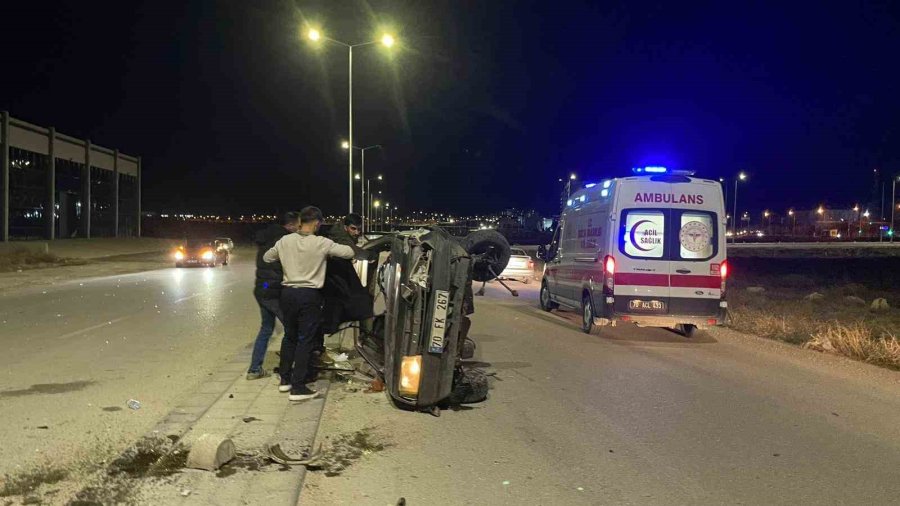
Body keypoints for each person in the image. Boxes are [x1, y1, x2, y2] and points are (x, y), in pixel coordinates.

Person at [264, 206, 365, 401]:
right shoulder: (322, 243)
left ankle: (285, 380)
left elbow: (268, 257)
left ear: (301, 221)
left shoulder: (285, 240)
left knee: (289, 337)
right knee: (305, 340)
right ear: (317, 223)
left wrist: (286, 258)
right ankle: (298, 387)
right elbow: (348, 253)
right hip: (309, 295)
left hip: (287, 295)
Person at [246, 211, 299, 380]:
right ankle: (290, 369)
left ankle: (254, 369)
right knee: (293, 328)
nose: (298, 229)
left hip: (262, 288)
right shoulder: (283, 241)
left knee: (266, 328)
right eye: (297, 226)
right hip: (272, 291)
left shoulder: (266, 238)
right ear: (289, 225)